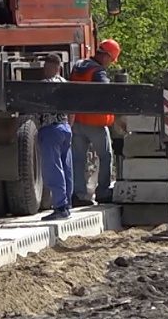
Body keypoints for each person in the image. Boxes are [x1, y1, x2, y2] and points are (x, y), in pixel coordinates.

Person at [68, 38, 121, 206]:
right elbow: (106, 92)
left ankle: (79, 195)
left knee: (78, 159)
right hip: (96, 123)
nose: (110, 64)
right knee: (105, 157)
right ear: (106, 56)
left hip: (77, 120)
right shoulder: (98, 72)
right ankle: (103, 192)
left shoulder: (78, 66)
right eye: (111, 60)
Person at [35, 53, 73, 221]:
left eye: (46, 66)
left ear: (53, 67)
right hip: (65, 127)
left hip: (50, 130)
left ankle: (60, 206)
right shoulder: (66, 84)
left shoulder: (44, 86)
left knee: (53, 169)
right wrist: (69, 126)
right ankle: (67, 204)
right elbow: (73, 109)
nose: (45, 69)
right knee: (66, 167)